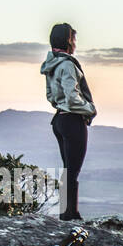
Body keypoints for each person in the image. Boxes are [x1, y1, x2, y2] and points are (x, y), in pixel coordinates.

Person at [40, 23, 97, 221]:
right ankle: (70, 214)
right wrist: (90, 108)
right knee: (73, 170)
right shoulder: (67, 65)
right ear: (67, 41)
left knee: (68, 168)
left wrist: (61, 104)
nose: (75, 43)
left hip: (59, 120)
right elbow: (73, 98)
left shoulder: (51, 63)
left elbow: (50, 95)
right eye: (73, 39)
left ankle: (70, 212)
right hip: (73, 120)